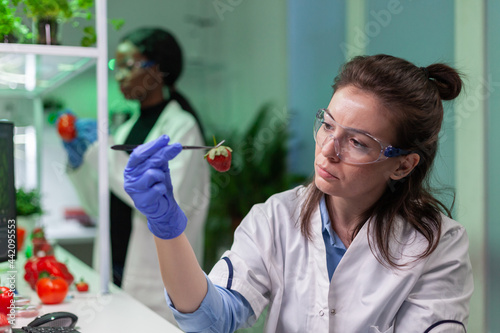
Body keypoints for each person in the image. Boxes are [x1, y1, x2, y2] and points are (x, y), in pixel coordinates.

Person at [122, 54, 473, 332]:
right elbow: (210, 321)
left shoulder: (438, 245)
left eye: (357, 142)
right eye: (328, 125)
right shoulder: (275, 218)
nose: (328, 149)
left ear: (402, 165)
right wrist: (165, 228)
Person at [58, 27, 210, 323]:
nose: (118, 76)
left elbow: (162, 200)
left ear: (158, 70)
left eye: (129, 66)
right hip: (114, 268)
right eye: (115, 66)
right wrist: (81, 162)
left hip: (155, 280)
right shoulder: (126, 129)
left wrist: (101, 153)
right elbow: (98, 206)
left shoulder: (181, 127)